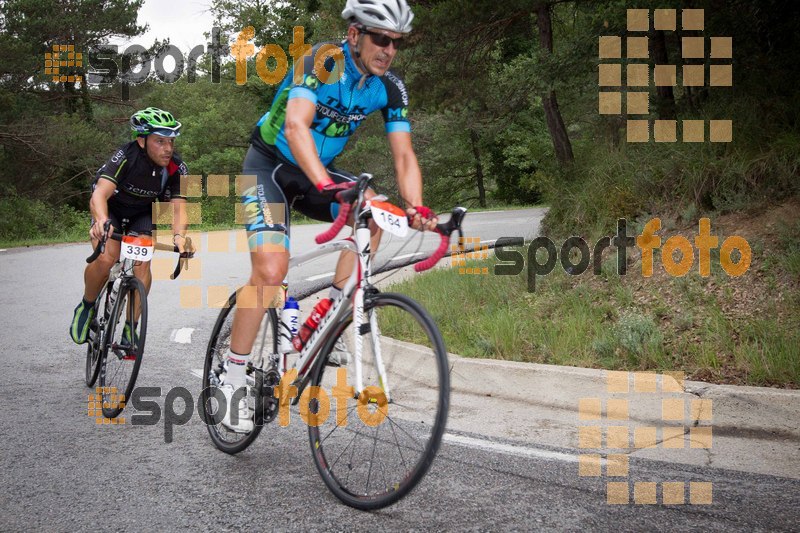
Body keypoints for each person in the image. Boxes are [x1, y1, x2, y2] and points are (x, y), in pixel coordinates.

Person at [220, 0, 437, 432]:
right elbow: (297, 127)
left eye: (395, 43)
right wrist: (324, 184)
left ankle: (334, 312)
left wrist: (415, 208)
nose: (388, 50)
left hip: (318, 174)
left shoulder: (389, 88)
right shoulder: (321, 61)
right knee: (269, 269)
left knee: (378, 210)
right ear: (355, 34)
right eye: (380, 38)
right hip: (269, 167)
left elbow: (404, 153)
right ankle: (231, 378)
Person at [69, 107, 191, 345]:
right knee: (106, 258)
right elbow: (99, 194)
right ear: (142, 140)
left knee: (142, 266)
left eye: (171, 141)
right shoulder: (125, 156)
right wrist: (102, 220)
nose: (168, 148)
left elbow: (179, 208)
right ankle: (87, 305)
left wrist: (179, 236)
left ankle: (129, 328)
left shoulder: (177, 167)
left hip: (142, 214)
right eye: (160, 141)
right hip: (112, 210)